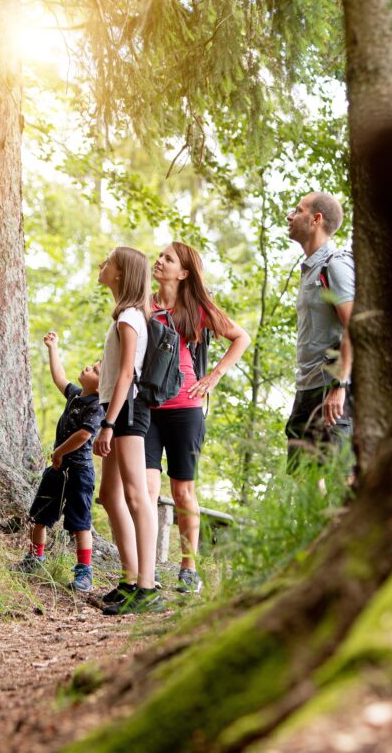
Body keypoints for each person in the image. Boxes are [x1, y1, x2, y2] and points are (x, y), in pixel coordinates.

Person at [145, 242, 250, 594]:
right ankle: (145, 570)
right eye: (160, 256)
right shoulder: (144, 304)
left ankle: (188, 568)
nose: (159, 261)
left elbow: (240, 337)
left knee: (182, 491)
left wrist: (213, 377)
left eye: (168, 259)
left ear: (184, 273)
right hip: (146, 410)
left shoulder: (196, 309)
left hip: (185, 409)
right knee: (145, 490)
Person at [93, 246, 162, 615]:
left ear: (121, 273)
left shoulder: (130, 316)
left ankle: (147, 588)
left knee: (136, 496)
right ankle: (130, 579)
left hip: (128, 412)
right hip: (118, 409)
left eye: (108, 262)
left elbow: (126, 376)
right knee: (109, 493)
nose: (101, 266)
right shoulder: (124, 315)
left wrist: (107, 424)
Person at [14, 332, 103, 592]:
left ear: (101, 386)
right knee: (40, 514)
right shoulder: (76, 395)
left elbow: (84, 435)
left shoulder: (97, 406)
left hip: (79, 471)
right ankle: (35, 557)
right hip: (57, 469)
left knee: (80, 522)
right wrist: (53, 347)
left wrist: (59, 452)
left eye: (95, 370)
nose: (88, 368)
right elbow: (59, 378)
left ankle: (84, 571)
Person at [285, 192, 355, 469]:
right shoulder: (309, 270)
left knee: (336, 478)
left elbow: (355, 326)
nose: (289, 216)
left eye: (297, 210)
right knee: (302, 480)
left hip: (332, 390)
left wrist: (340, 386)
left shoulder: (334, 265)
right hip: (306, 389)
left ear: (316, 219)